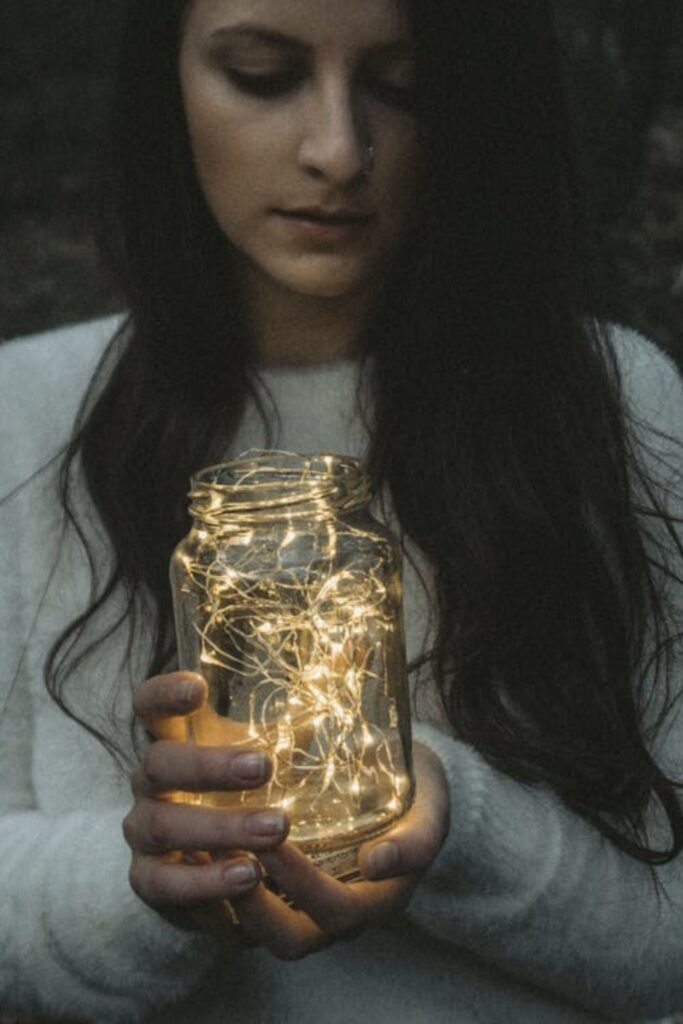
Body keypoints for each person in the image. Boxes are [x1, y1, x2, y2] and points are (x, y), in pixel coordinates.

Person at [1, 1, 683, 1021]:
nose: (336, 149)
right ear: (168, 83)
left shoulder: (609, 401)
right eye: (264, 75)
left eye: (400, 88)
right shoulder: (27, 414)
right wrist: (148, 878)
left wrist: (454, 820)